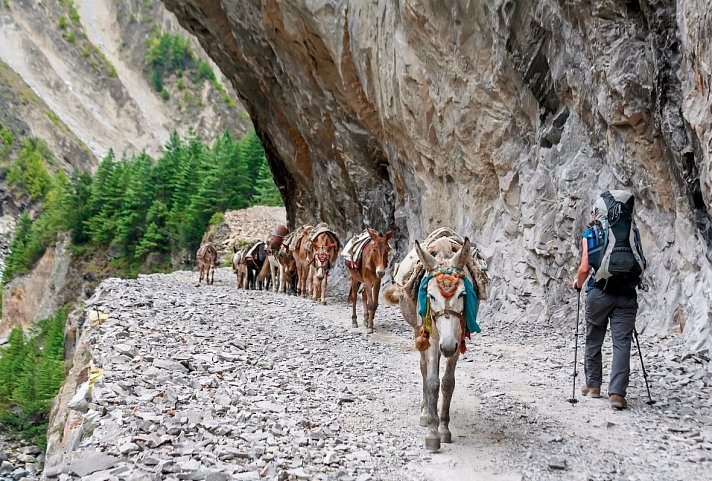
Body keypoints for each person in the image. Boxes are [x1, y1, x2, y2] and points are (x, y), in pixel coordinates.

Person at [572, 191, 644, 410]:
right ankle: (617, 394)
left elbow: (585, 267)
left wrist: (577, 283)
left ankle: (593, 386)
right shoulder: (633, 232)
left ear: (598, 211)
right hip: (627, 295)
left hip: (599, 293)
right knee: (622, 343)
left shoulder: (592, 233)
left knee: (594, 338)